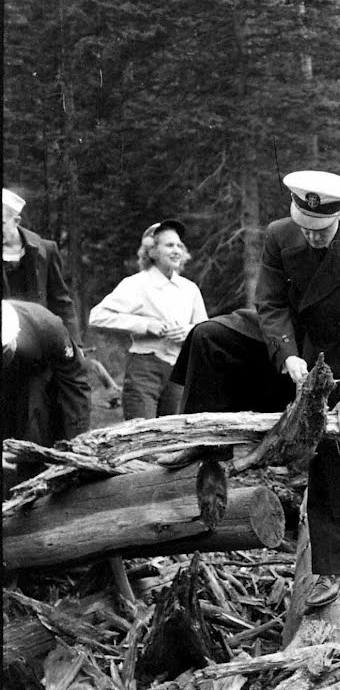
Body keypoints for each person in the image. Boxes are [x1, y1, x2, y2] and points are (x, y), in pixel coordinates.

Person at [170, 170, 340, 610]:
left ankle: (330, 566)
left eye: (321, 231)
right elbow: (270, 304)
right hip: (289, 343)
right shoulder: (279, 234)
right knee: (210, 336)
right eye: (304, 228)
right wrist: (286, 353)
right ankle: (206, 446)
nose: (310, 238)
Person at [89, 219, 207, 420]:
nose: (177, 250)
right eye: (169, 245)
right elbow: (98, 316)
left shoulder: (190, 289)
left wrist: (188, 331)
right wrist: (146, 325)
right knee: (141, 434)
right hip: (144, 368)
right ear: (152, 251)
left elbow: (204, 329)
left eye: (179, 245)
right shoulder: (136, 284)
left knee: (173, 438)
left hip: (179, 371)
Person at [2, 299, 92, 490]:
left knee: (36, 424)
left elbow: (75, 386)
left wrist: (77, 446)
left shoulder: (47, 327)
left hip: (40, 377)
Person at [2, 188, 82, 345]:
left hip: (39, 341)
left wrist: (75, 344)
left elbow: (61, 302)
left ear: (16, 221)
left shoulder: (45, 250)